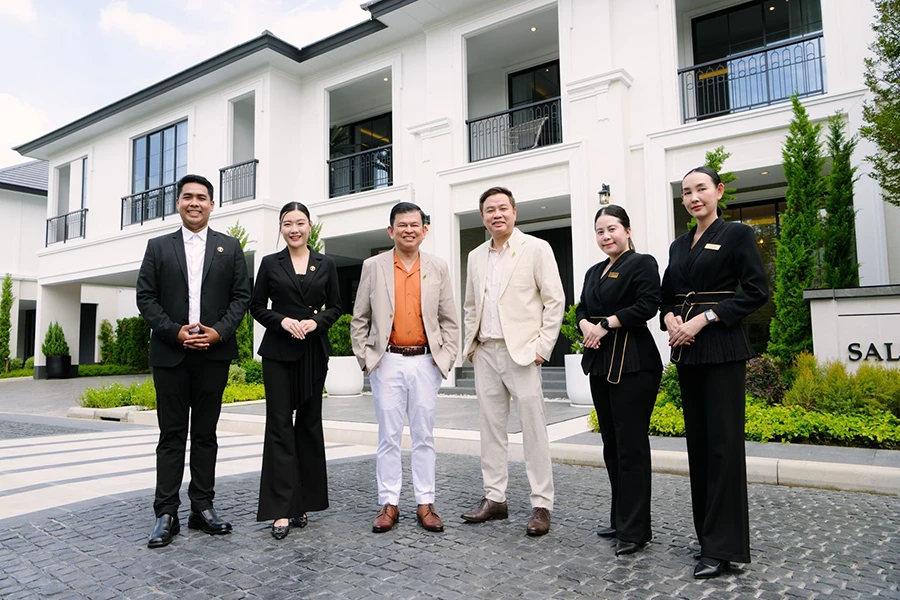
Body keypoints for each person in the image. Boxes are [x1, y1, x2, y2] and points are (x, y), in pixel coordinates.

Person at [661, 166, 768, 578]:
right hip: (688, 351)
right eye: (687, 192)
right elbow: (666, 296)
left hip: (722, 348)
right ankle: (708, 537)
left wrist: (704, 318)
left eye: (701, 189)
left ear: (719, 191)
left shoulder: (737, 234)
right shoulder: (678, 245)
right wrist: (671, 318)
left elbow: (756, 291)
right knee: (700, 447)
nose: (694, 197)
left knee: (724, 447)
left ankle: (725, 548)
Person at [136, 173, 251, 549]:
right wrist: (175, 332)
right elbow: (146, 297)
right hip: (170, 355)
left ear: (212, 205)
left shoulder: (229, 247)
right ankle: (166, 513)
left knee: (205, 434)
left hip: (213, 355)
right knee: (171, 435)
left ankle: (202, 507)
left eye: (202, 197)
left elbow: (241, 296)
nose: (194, 203)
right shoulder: (158, 247)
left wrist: (219, 332)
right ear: (178, 203)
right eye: (188, 197)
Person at [460, 186, 565, 536]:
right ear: (483, 217)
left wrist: (543, 347)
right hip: (486, 351)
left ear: (514, 212)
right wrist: (472, 347)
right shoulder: (476, 256)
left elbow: (554, 300)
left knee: (534, 429)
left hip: (523, 352)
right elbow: (471, 305)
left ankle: (541, 503)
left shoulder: (536, 248)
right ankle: (495, 498)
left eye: (503, 208)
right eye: (490, 210)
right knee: (490, 429)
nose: (497, 214)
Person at [350, 202, 459, 533]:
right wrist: (367, 359)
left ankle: (426, 503)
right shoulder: (373, 266)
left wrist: (445, 357)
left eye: (415, 225)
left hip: (426, 361)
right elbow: (360, 317)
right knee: (389, 436)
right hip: (387, 361)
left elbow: (449, 319)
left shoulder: (438, 267)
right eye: (402, 225)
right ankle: (389, 502)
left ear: (425, 230)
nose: (408, 230)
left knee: (424, 436)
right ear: (391, 230)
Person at [250, 202, 341, 540]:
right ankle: (280, 509)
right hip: (278, 352)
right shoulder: (269, 263)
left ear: (309, 226)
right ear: (281, 227)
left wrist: (316, 322)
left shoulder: (326, 263)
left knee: (308, 425)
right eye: (288, 223)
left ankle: (302, 503)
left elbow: (336, 306)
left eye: (300, 223)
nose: (294, 229)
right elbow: (256, 306)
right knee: (279, 427)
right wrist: (282, 321)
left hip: (313, 352)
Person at [576, 205, 663, 556]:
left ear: (627, 230)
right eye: (600, 231)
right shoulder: (593, 271)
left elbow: (648, 305)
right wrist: (586, 325)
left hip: (633, 363)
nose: (606, 236)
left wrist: (606, 324)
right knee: (611, 444)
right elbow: (582, 308)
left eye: (612, 228)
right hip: (600, 362)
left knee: (631, 445)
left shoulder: (642, 263)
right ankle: (620, 518)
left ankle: (636, 529)